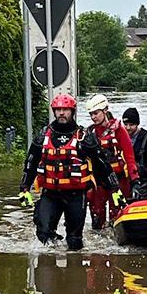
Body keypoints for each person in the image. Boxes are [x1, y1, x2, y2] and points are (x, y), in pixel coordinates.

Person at [21, 93, 117, 251]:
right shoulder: (43, 135)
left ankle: (73, 271)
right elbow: (30, 162)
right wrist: (24, 187)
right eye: (58, 110)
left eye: (65, 110)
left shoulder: (84, 137)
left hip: (76, 195)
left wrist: (114, 188)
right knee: (43, 235)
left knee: (74, 241)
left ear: (72, 112)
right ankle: (49, 268)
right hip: (50, 194)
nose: (61, 113)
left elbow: (102, 164)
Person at [83, 96, 137, 231]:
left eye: (96, 113)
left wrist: (135, 180)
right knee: (97, 216)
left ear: (105, 110)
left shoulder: (119, 130)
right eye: (91, 114)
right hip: (98, 180)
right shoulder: (89, 133)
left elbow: (129, 157)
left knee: (117, 215)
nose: (93, 117)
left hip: (119, 181)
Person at [121, 107, 147, 200]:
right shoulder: (120, 138)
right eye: (125, 124)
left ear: (137, 124)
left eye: (131, 125)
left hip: (145, 184)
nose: (128, 128)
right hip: (126, 182)